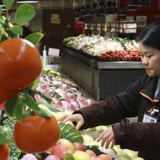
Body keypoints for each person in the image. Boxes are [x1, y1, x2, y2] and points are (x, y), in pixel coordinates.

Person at [60, 21, 160, 160]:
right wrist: (86, 115)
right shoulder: (150, 81)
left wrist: (124, 131)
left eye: (149, 56)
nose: (144, 61)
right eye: (142, 55)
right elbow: (120, 104)